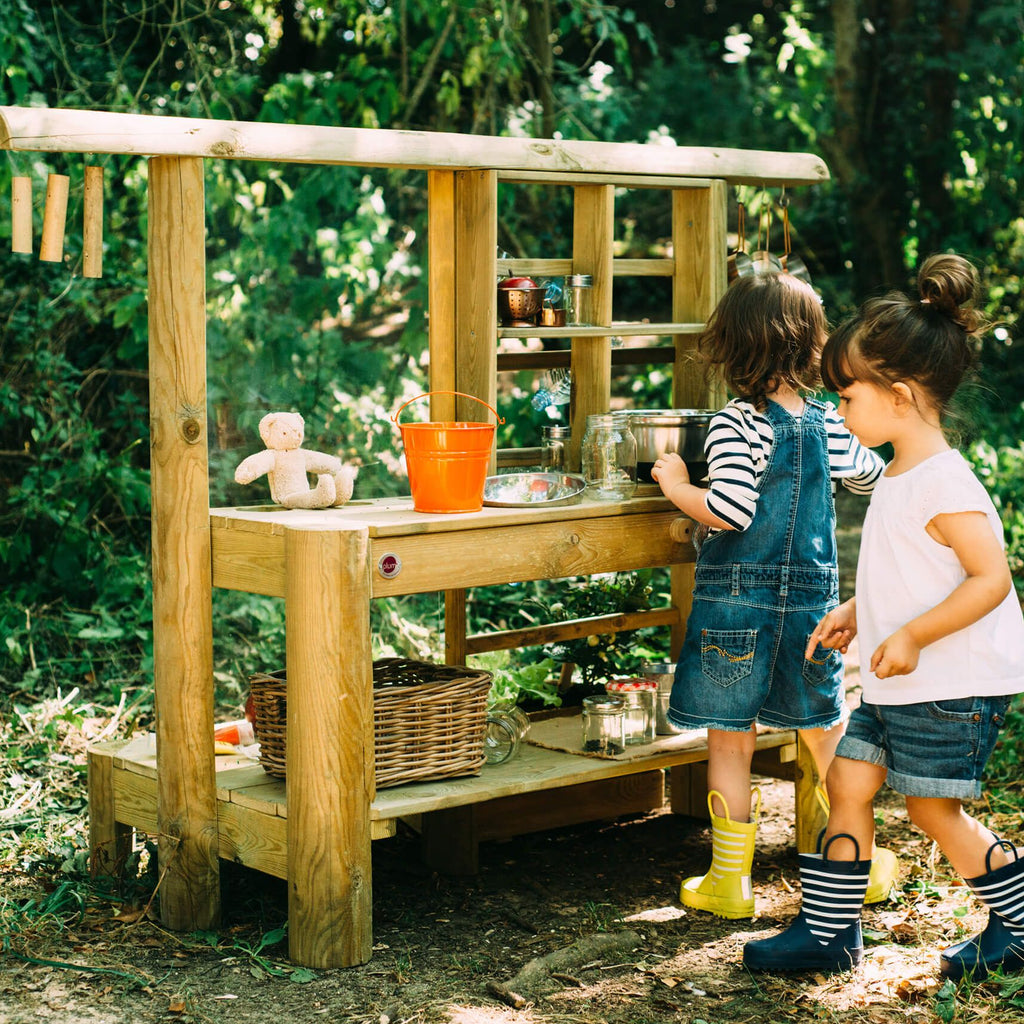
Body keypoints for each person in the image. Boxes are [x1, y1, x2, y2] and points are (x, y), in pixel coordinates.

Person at [743, 253, 1024, 978]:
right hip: (903, 674)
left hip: (951, 684)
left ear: (898, 394)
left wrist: (909, 634)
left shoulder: (945, 483)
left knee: (934, 813)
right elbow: (911, 575)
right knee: (849, 782)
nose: (838, 410)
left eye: (847, 396)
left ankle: (1021, 923)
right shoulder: (898, 472)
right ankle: (829, 935)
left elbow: (989, 579)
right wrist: (859, 611)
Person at [652, 271, 896, 922]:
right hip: (812, 609)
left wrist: (677, 484)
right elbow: (873, 474)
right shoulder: (829, 424)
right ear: (811, 347)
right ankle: (857, 864)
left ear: (733, 349)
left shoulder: (736, 424)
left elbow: (729, 509)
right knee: (826, 731)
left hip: (736, 607)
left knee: (731, 740)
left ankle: (729, 884)